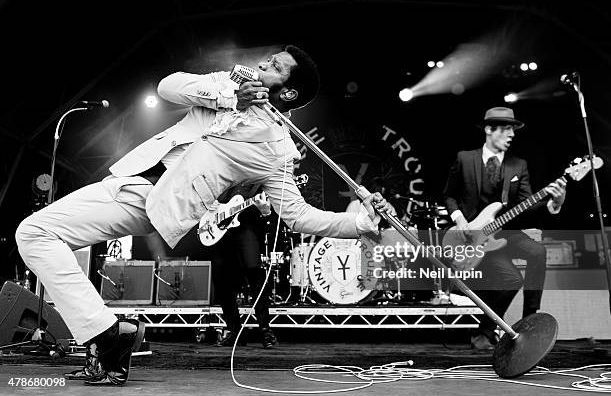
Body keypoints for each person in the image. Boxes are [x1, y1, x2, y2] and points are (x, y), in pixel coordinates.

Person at [15, 45, 393, 385]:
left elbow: (298, 216)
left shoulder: (275, 146)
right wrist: (230, 97)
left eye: (274, 66)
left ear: (288, 91)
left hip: (153, 200)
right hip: (127, 177)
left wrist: (360, 221)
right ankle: (106, 340)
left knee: (33, 233)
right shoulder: (227, 84)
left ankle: (106, 334)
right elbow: (168, 87)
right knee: (39, 234)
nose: (262, 62)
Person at [443, 106, 567, 350]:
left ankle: (531, 319)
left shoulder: (518, 165)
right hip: (470, 237)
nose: (512, 135)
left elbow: (527, 204)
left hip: (505, 233)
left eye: (513, 129)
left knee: (537, 252)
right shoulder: (464, 158)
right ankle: (484, 332)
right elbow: (448, 196)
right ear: (489, 130)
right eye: (507, 129)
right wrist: (460, 221)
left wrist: (554, 201)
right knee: (510, 281)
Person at [208, 188, 277, 349]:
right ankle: (234, 331)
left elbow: (269, 212)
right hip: (221, 227)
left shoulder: (256, 173)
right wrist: (208, 203)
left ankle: (265, 330)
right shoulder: (222, 168)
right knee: (220, 279)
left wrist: (265, 212)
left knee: (255, 274)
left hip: (246, 226)